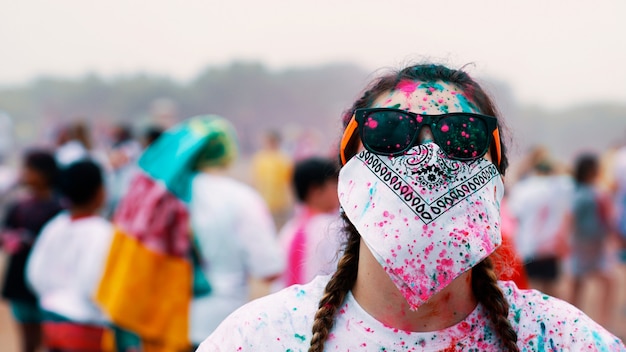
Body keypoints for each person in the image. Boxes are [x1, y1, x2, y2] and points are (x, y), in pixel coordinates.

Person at [198, 63, 625, 351]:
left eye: (461, 136)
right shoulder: (259, 338)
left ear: (496, 182)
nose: (425, 157)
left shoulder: (563, 339)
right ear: (348, 175)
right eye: (388, 131)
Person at [95, 115, 285, 351]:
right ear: (227, 153)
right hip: (223, 325)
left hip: (165, 324)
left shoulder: (159, 197)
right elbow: (269, 270)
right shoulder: (241, 198)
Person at [26, 159, 113, 351]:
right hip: (86, 324)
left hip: (51, 318)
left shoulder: (55, 225)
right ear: (100, 193)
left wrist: (52, 296)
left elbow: (34, 273)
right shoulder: (103, 232)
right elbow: (94, 281)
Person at [0, 150, 63, 352]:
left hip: (46, 283)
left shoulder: (58, 209)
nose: (24, 174)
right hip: (19, 279)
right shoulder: (18, 206)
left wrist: (33, 241)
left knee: (49, 338)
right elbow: (5, 234)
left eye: (29, 170)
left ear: (45, 174)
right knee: (26, 339)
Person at [507, 152, 573, 298]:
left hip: (530, 245)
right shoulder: (560, 185)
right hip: (551, 246)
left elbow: (514, 214)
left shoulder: (523, 188)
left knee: (532, 288)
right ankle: (555, 318)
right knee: (552, 287)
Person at [273, 157, 342, 291]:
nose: (339, 191)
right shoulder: (332, 229)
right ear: (316, 191)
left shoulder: (289, 230)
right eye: (334, 185)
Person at [569, 153, 616, 328]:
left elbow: (569, 218)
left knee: (577, 283)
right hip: (596, 243)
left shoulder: (575, 191)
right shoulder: (598, 193)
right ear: (593, 171)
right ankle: (603, 321)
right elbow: (609, 217)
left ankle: (573, 321)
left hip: (578, 242)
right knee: (609, 282)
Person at [251, 130, 293, 229]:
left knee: (280, 228)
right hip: (264, 201)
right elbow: (256, 180)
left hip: (280, 203)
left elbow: (289, 182)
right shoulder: (260, 158)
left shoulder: (283, 159)